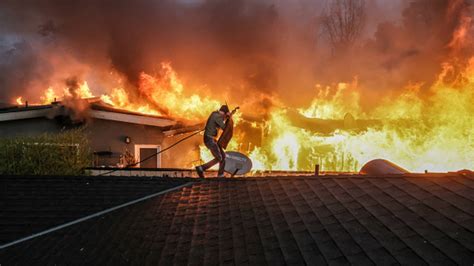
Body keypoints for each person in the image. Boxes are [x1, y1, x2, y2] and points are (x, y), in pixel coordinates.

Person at [195, 105, 231, 178]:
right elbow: (224, 128)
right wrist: (228, 118)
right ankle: (201, 168)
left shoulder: (215, 114)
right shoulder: (217, 116)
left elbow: (220, 122)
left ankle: (220, 175)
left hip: (212, 139)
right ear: (224, 113)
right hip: (209, 139)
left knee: (223, 156)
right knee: (219, 158)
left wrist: (226, 117)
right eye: (225, 114)